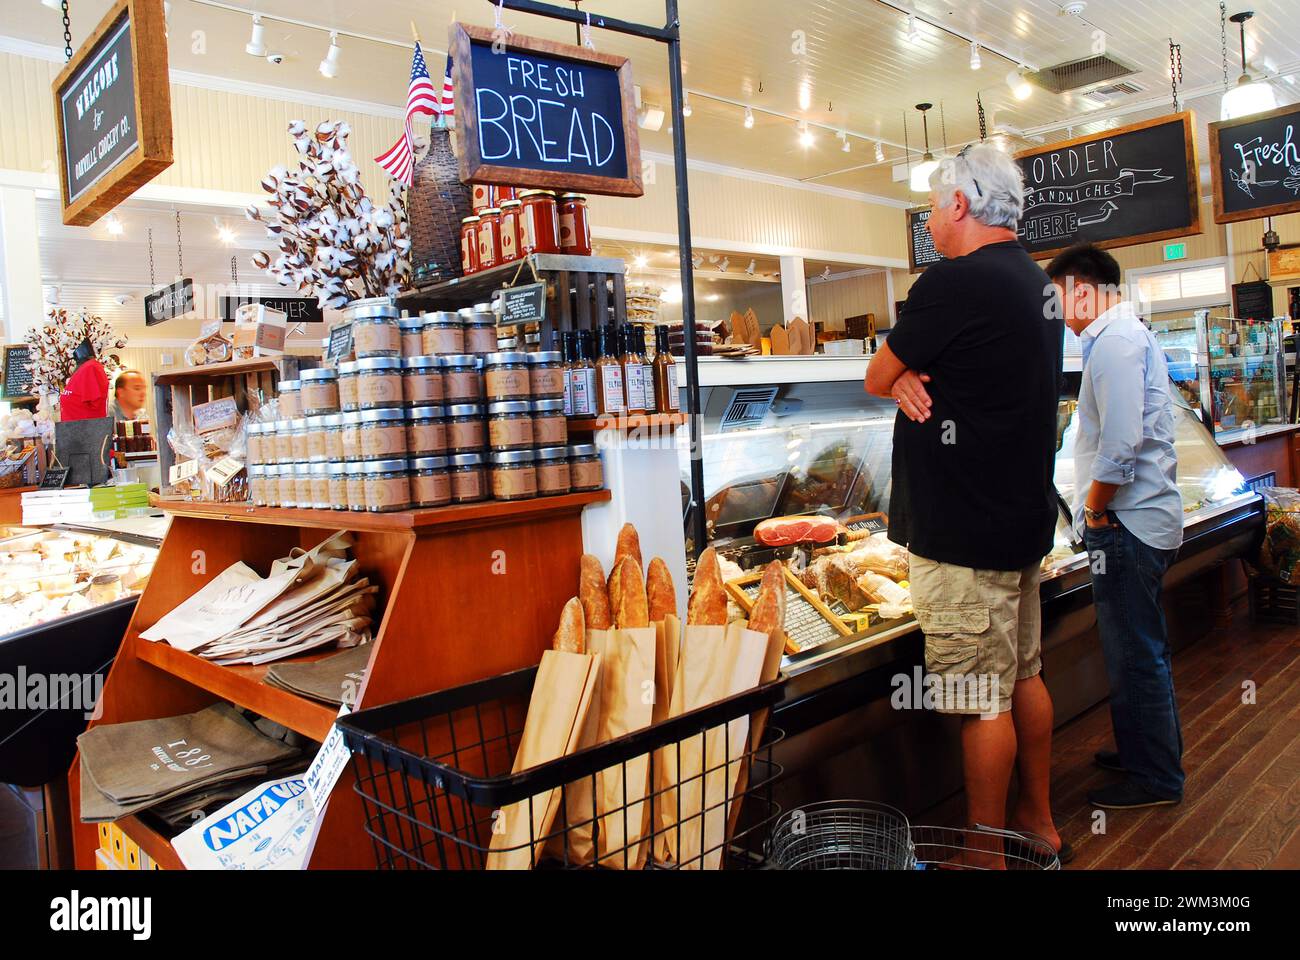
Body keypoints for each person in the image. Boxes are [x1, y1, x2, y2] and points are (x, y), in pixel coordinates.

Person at [865, 143, 1066, 863]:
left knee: (982, 699)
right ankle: (1038, 825)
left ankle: (984, 856)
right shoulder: (1035, 283)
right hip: (1019, 520)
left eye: (931, 206)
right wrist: (911, 376)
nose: (928, 220)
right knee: (1025, 677)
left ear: (959, 203)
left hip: (960, 532)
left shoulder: (951, 284)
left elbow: (873, 374)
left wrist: (901, 375)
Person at [1045, 243, 1185, 810]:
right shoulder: (1119, 338)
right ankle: (1142, 753)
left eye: (1056, 295)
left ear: (1081, 288)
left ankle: (1154, 777)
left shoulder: (1115, 343)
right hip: (1134, 518)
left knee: (1135, 651)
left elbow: (1121, 446)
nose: (1054, 308)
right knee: (1134, 646)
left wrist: (1098, 510)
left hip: (1127, 522)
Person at [59, 339, 109, 422]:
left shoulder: (91, 367)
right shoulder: (85, 369)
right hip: (76, 429)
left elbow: (96, 401)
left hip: (85, 430)